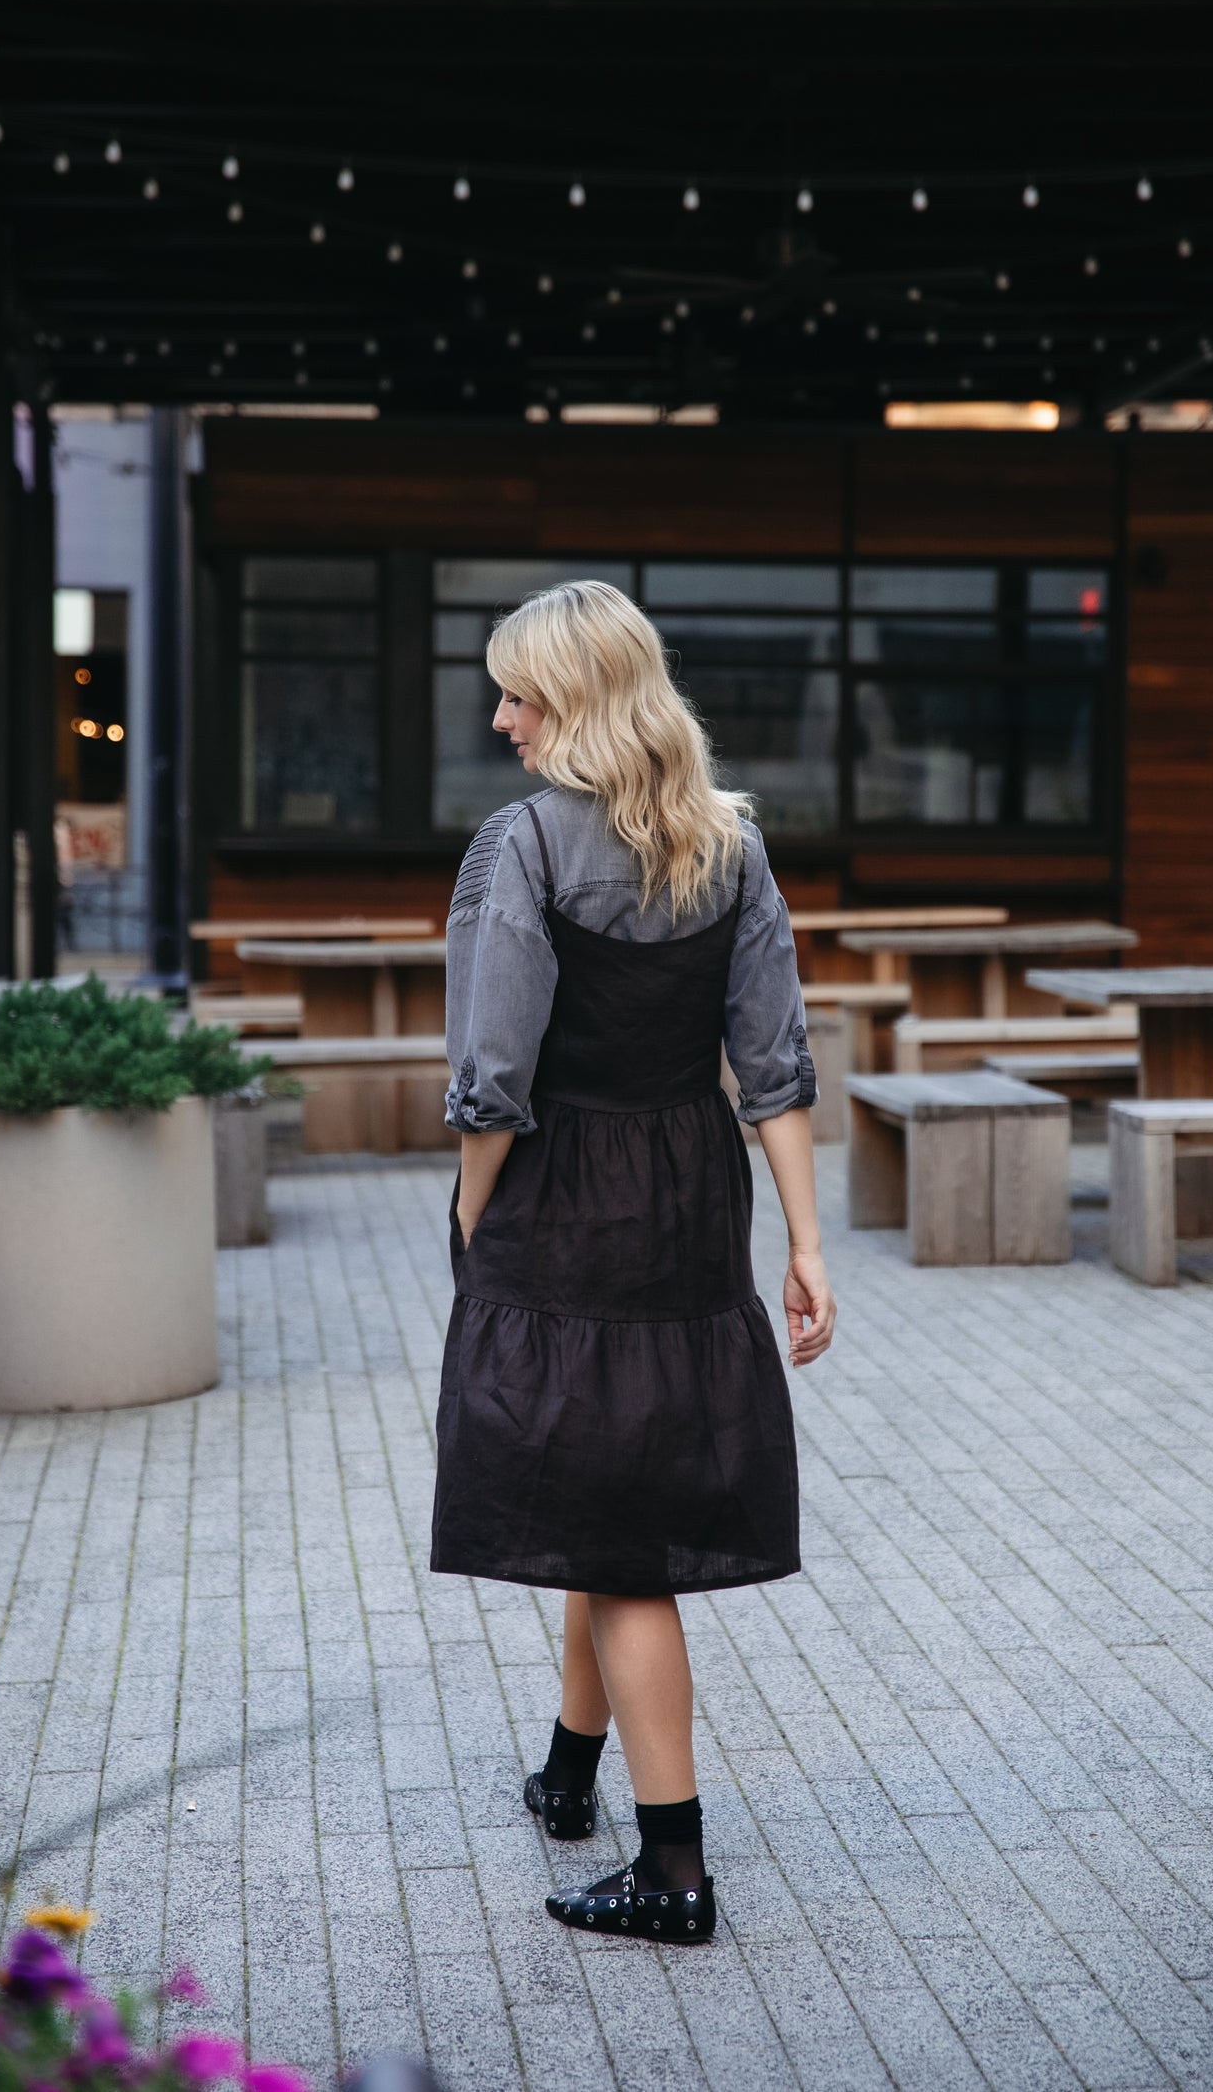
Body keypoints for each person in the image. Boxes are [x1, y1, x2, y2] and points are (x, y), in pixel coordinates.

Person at [433, 579, 836, 1944]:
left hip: (562, 1190)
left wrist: (471, 1221)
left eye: (521, 694)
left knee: (616, 1538)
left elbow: (491, 1079)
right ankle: (566, 1774)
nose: (499, 718)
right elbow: (773, 1068)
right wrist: (804, 1241)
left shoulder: (523, 849)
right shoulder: (730, 846)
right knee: (601, 1485)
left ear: (583, 702)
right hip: (686, 1194)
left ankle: (673, 1870)